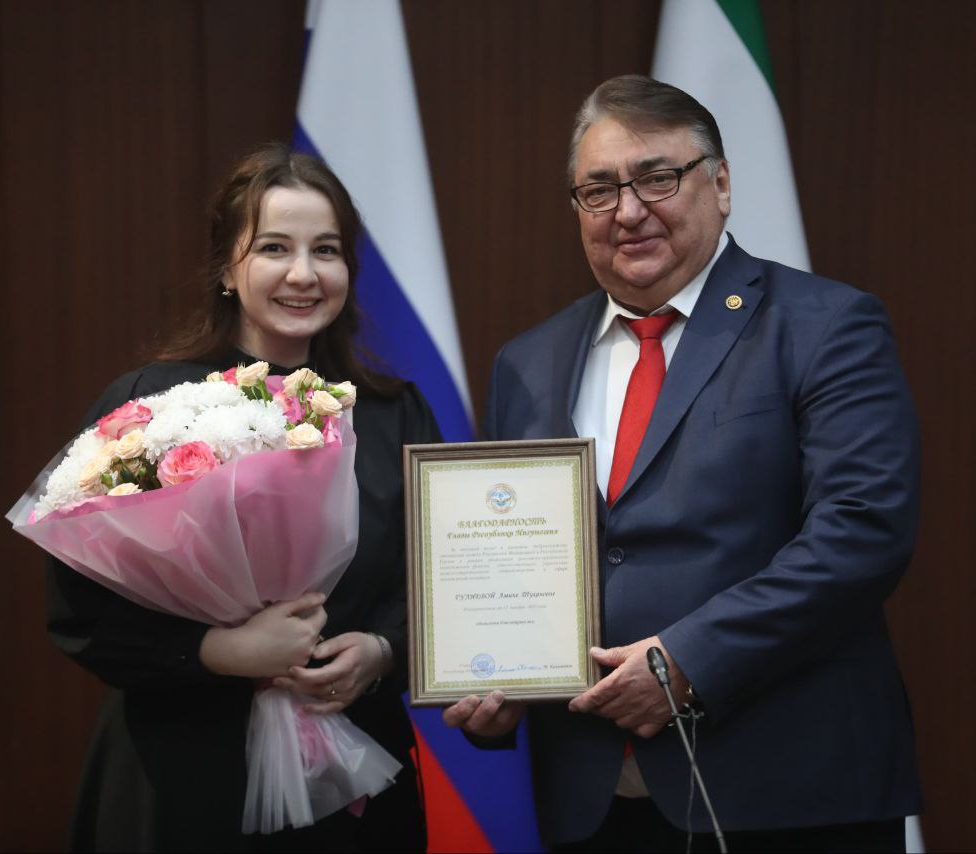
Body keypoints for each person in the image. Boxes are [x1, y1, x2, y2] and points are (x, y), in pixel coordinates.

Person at [444, 75, 922, 852]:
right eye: (599, 189)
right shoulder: (527, 362)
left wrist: (690, 660)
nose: (628, 210)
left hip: (789, 794)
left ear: (721, 184)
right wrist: (500, 681)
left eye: (657, 178)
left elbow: (862, 532)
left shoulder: (825, 325)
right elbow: (517, 564)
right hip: (597, 803)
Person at [47, 144, 435, 852]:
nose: (303, 273)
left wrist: (384, 651)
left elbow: (437, 583)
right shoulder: (149, 408)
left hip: (353, 776)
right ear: (228, 268)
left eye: (326, 250)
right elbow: (79, 611)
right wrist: (218, 650)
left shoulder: (392, 414)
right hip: (181, 777)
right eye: (274, 248)